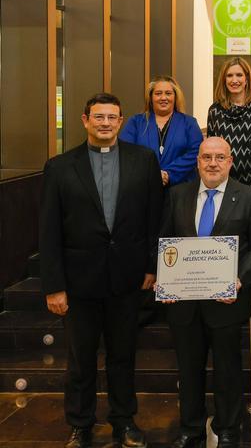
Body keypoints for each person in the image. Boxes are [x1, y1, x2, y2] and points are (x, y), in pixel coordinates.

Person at [40, 93, 163, 448]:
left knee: (123, 356)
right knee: (80, 360)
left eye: (112, 117)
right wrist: (53, 286)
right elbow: (48, 231)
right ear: (84, 120)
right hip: (79, 283)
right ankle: (80, 425)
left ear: (121, 121)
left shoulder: (144, 161)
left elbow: (154, 219)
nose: (105, 123)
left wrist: (152, 267)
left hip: (127, 279)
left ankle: (124, 422)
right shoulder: (60, 166)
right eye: (99, 117)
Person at [158, 137, 251, 448]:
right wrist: (163, 279)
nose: (213, 163)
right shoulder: (178, 195)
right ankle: (190, 428)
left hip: (227, 300)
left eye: (220, 157)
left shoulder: (248, 198)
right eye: (206, 157)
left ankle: (229, 428)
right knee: (189, 368)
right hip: (184, 303)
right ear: (197, 162)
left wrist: (239, 279)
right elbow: (165, 242)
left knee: (228, 369)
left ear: (231, 162)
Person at [119, 75, 203, 187]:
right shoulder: (136, 122)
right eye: (158, 93)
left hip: (181, 189)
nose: (163, 98)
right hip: (143, 187)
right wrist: (151, 175)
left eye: (168, 93)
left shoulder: (189, 123)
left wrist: (169, 174)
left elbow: (196, 152)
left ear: (175, 96)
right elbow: (125, 152)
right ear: (150, 97)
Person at [207, 57, 251, 197]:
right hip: (223, 183)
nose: (234, 80)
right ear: (224, 80)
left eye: (239, 75)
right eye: (229, 75)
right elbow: (211, 150)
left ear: (247, 79)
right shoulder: (215, 110)